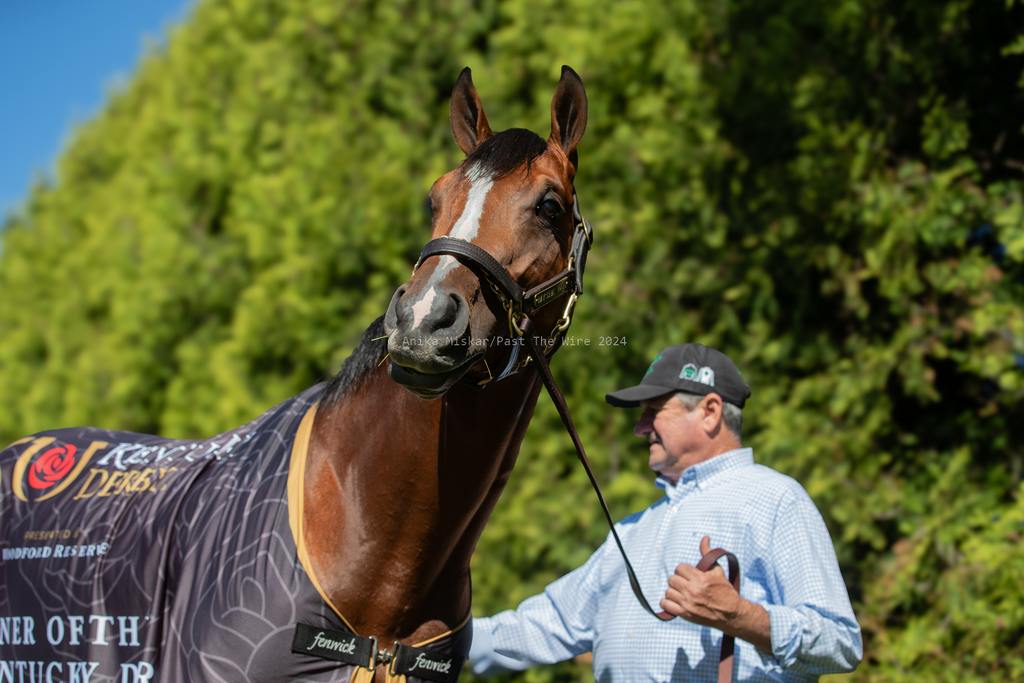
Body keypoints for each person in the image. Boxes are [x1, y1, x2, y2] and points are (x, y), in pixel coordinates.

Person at [468, 343, 862, 681]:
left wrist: (741, 616)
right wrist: (436, 639)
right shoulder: (634, 528)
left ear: (710, 411)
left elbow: (840, 643)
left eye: (653, 410)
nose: (640, 428)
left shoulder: (776, 499)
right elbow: (546, 624)